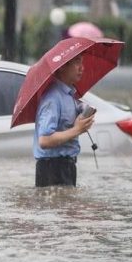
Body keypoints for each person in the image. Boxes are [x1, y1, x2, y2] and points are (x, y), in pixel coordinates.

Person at [33, 54, 95, 187]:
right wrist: (77, 130)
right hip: (52, 169)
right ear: (62, 67)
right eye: (77, 62)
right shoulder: (52, 98)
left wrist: (82, 109)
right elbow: (44, 140)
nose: (82, 68)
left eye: (82, 62)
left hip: (67, 166)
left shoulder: (69, 95)